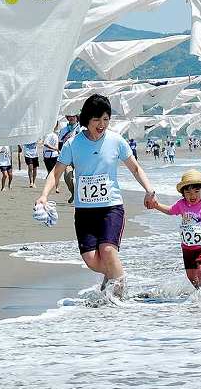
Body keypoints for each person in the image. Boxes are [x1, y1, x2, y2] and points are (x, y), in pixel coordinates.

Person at [36, 94, 156, 298]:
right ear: (86, 119)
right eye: (96, 120)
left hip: (111, 207)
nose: (102, 124)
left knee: (108, 251)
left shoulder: (116, 141)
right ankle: (113, 275)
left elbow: (135, 168)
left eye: (106, 119)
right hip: (85, 211)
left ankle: (119, 298)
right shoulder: (73, 144)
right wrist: (43, 196)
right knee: (91, 260)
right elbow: (56, 172)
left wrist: (149, 190)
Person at [43, 124, 60, 192]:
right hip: (52, 154)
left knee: (51, 172)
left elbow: (46, 144)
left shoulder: (49, 134)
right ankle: (56, 187)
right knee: (55, 172)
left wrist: (55, 149)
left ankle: (53, 187)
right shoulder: (55, 135)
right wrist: (56, 149)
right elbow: (46, 144)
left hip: (50, 155)